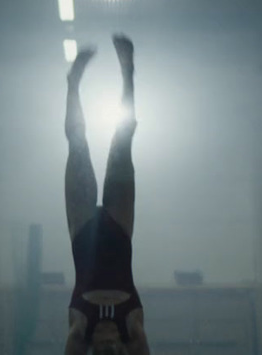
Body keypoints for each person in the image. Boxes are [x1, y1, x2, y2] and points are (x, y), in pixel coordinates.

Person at [63, 34, 150, 355]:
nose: (108, 337)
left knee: (77, 143)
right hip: (118, 228)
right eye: (113, 345)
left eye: (102, 346)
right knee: (124, 137)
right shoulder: (132, 328)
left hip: (83, 231)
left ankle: (72, 84)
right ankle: (128, 72)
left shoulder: (79, 331)